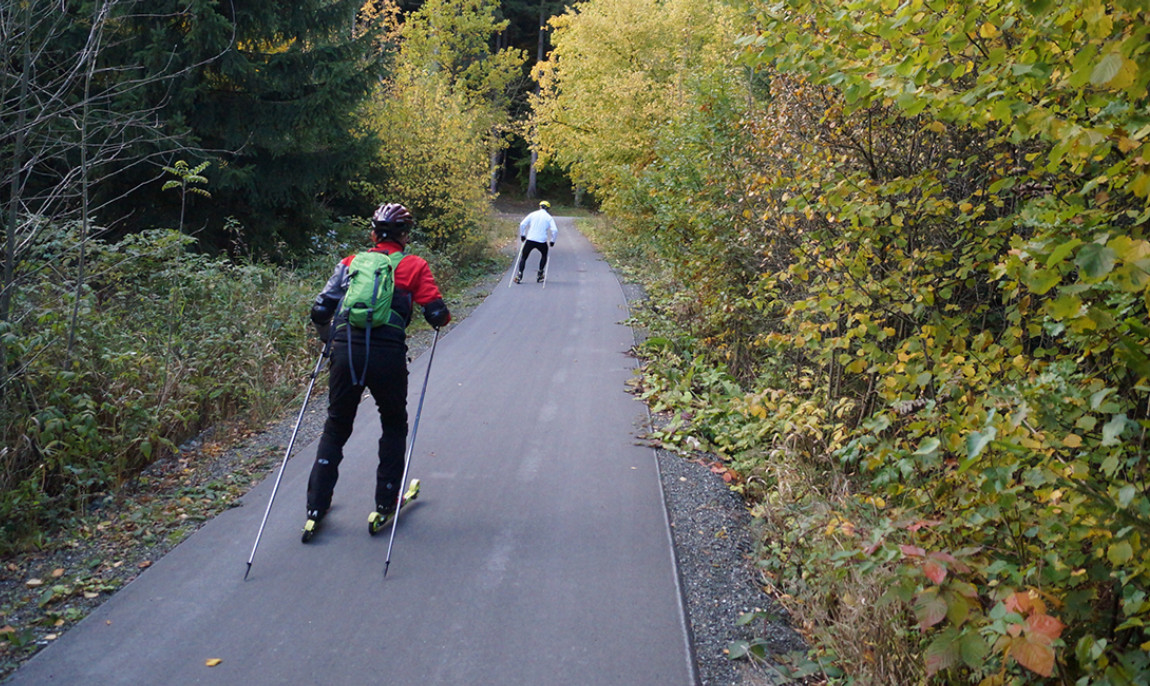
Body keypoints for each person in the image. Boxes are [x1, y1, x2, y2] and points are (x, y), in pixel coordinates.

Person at [302, 202, 451, 541]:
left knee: (336, 425)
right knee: (393, 423)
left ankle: (315, 507)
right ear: (405, 236)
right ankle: (385, 501)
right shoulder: (414, 265)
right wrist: (440, 317)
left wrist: (329, 340)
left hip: (346, 351)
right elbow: (436, 314)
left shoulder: (350, 263)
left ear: (372, 235)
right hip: (387, 355)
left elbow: (320, 309)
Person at [515, 200, 558, 283]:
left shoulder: (533, 214)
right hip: (541, 241)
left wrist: (522, 235)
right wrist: (552, 241)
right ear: (548, 209)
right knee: (544, 255)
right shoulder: (549, 217)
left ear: (540, 206)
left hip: (530, 239)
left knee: (524, 257)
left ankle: (519, 275)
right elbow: (555, 230)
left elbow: (522, 224)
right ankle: (540, 274)